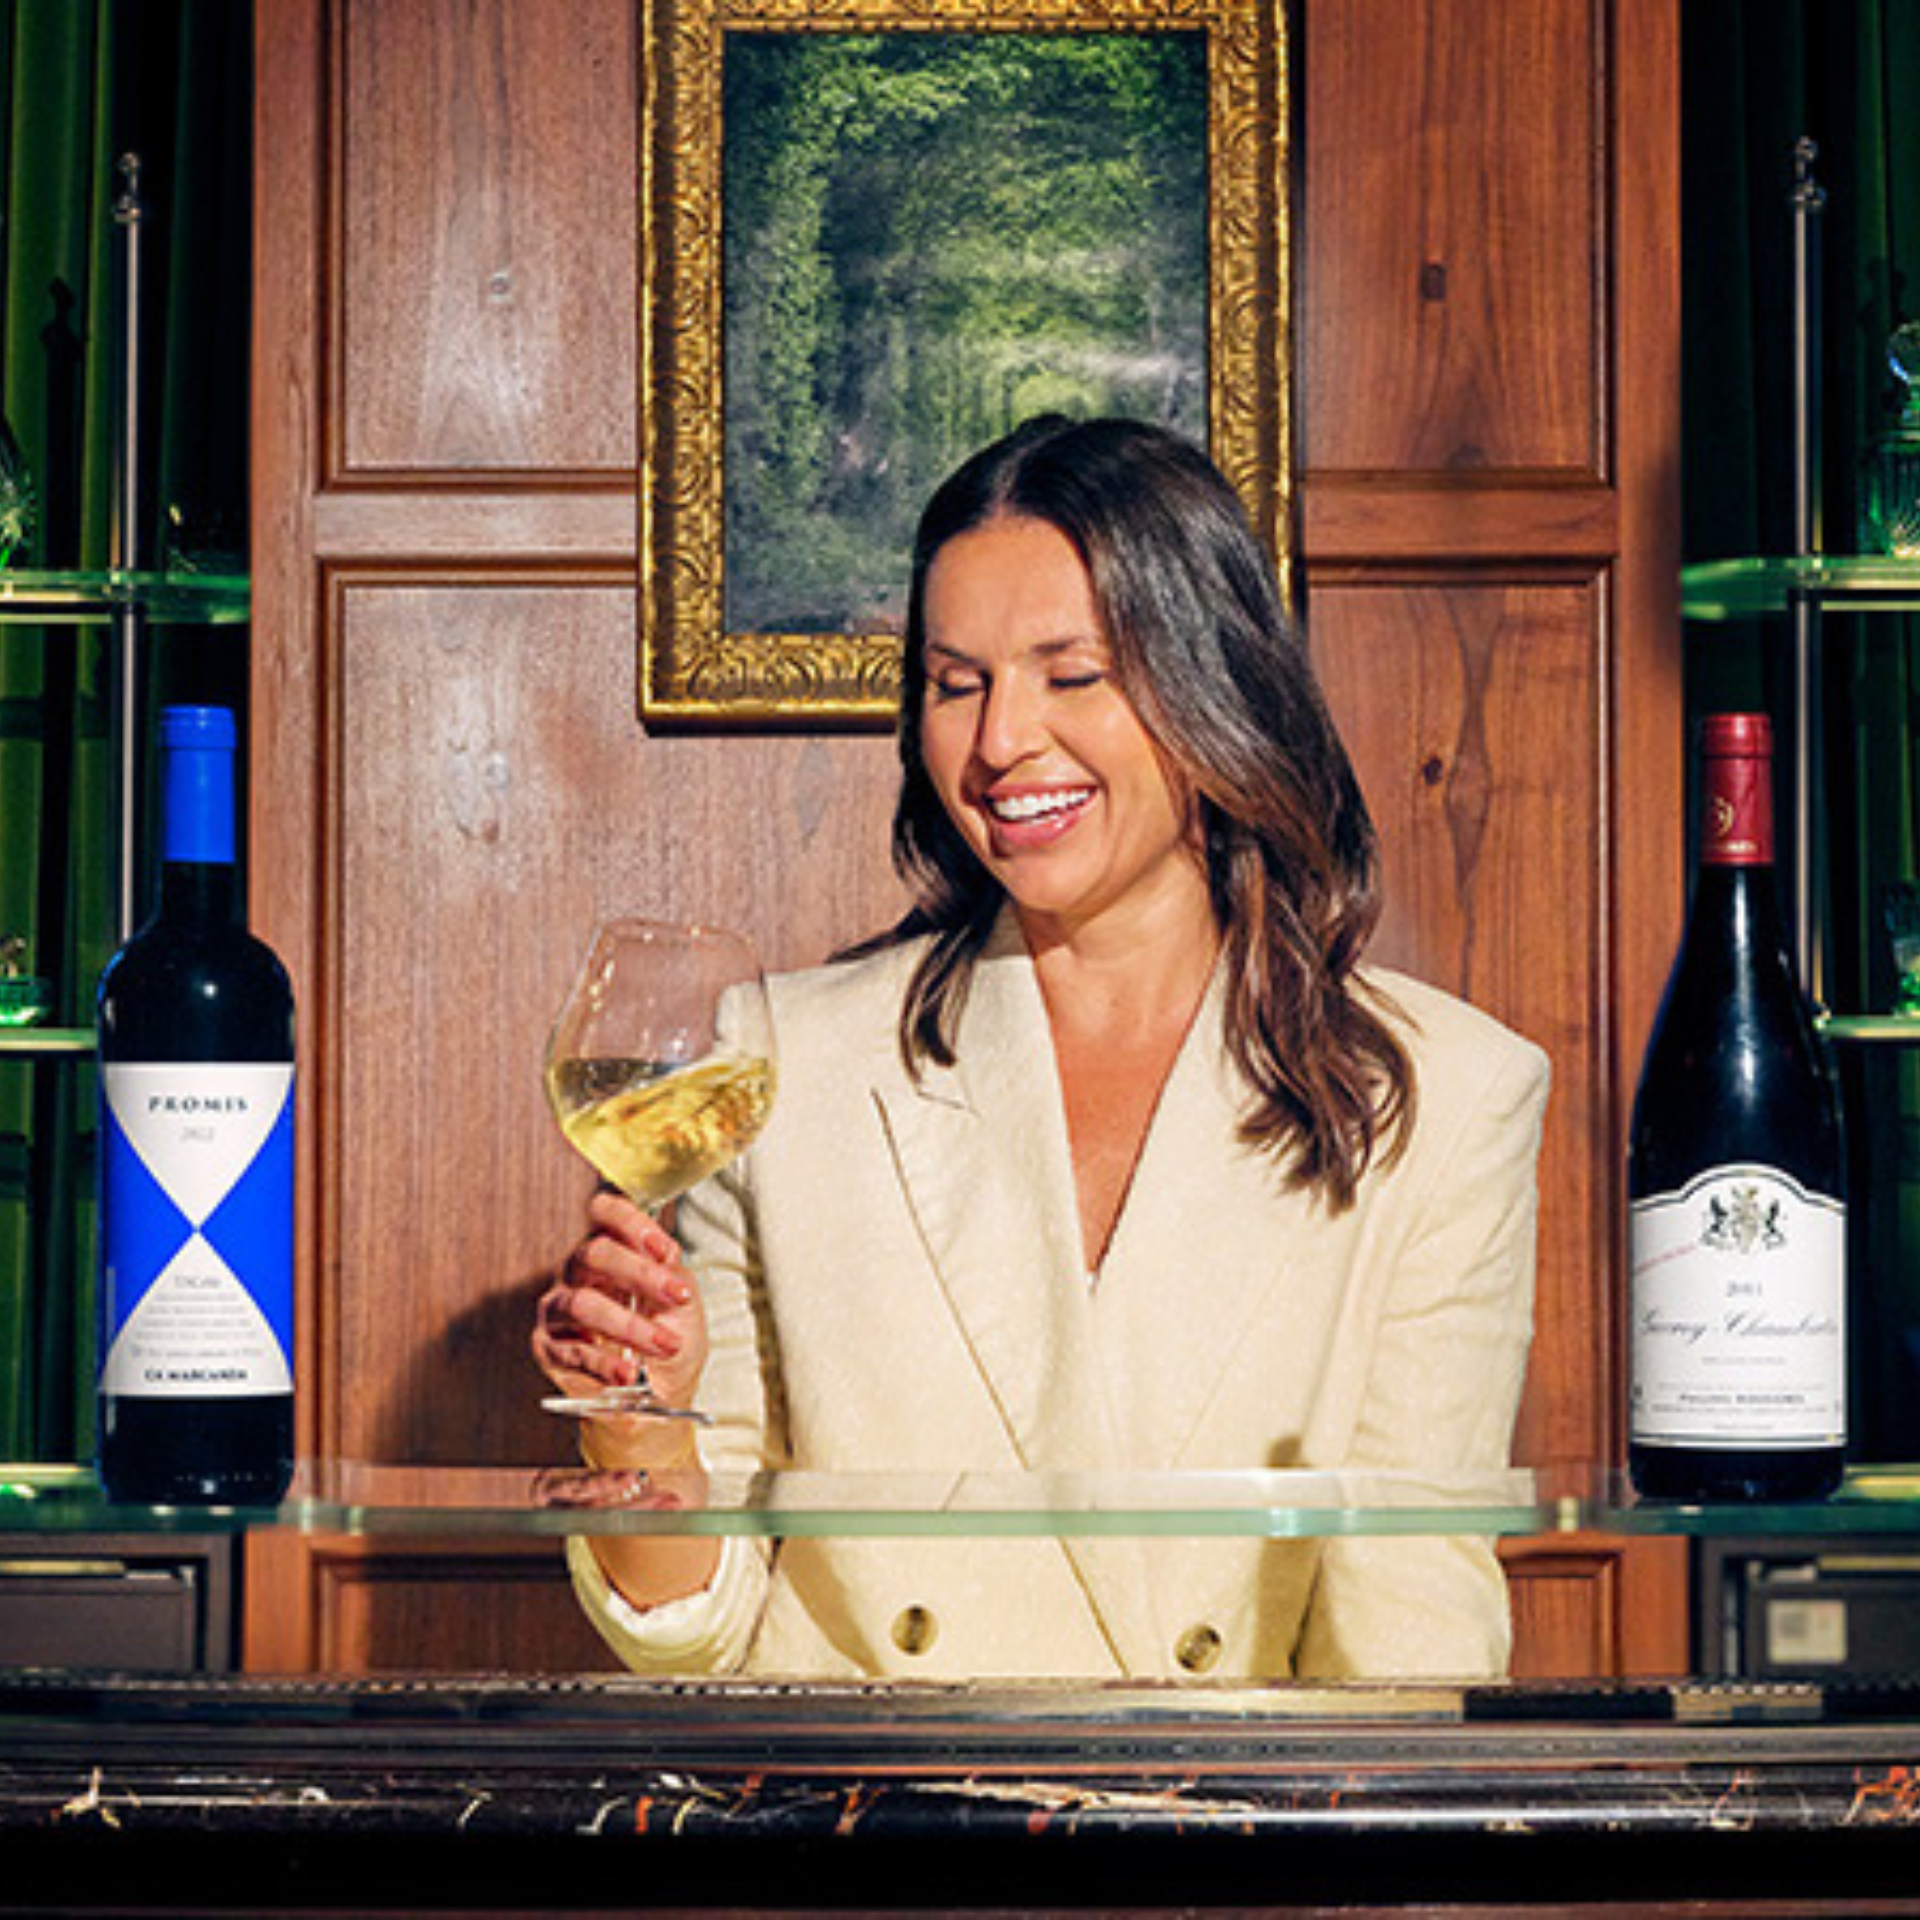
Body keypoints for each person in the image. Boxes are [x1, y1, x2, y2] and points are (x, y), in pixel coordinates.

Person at [532, 415, 1549, 1681]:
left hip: (1224, 1847)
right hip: (850, 1829)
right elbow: (699, 1638)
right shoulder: (780, 1059)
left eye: (1071, 675)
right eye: (956, 683)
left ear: (1210, 686)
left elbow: (1412, 1626)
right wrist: (642, 1432)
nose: (1001, 739)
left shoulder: (1447, 1096)